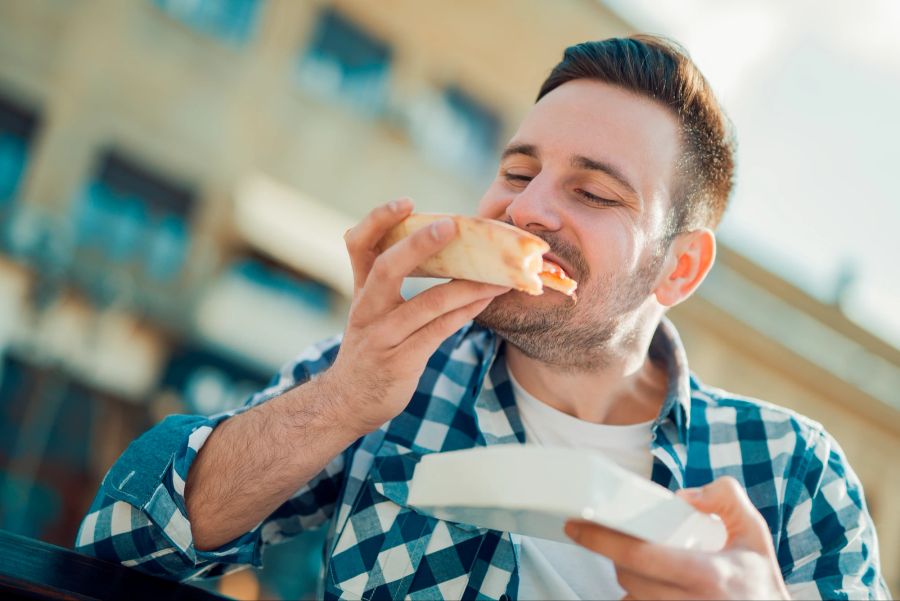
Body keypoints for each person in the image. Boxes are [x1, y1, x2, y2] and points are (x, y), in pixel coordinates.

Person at [76, 35, 890, 600]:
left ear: (678, 268)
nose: (526, 209)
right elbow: (122, 541)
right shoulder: (389, 375)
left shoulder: (794, 472)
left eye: (594, 192)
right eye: (517, 169)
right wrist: (340, 402)